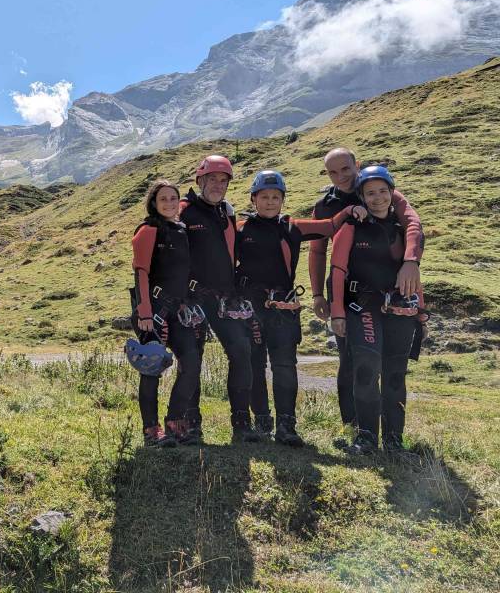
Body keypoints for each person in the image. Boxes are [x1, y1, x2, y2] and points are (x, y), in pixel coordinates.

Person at [238, 170, 358, 446]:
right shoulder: (240, 229)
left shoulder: (292, 226)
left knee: (285, 366)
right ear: (254, 199)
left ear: (282, 200)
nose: (270, 202)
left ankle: (286, 425)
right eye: (264, 197)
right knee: (254, 365)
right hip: (249, 308)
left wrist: (351, 209)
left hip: (284, 307)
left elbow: (329, 226)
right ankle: (262, 421)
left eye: (275, 197)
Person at [308, 148, 424, 429]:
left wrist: (411, 261)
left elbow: (413, 223)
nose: (340, 177)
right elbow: (317, 252)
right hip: (345, 289)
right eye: (332, 172)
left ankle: (388, 428)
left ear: (356, 165)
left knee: (385, 362)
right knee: (351, 358)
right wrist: (318, 295)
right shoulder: (325, 204)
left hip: (386, 288)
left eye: (345, 169)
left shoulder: (380, 189)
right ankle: (354, 424)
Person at [329, 166, 429, 455]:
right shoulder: (351, 226)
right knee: (366, 370)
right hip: (362, 307)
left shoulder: (401, 227)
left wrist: (420, 312)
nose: (378, 197)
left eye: (383, 191)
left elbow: (412, 276)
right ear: (361, 196)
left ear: (391, 192)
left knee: (396, 374)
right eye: (370, 193)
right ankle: (366, 438)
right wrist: (337, 312)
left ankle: (394, 441)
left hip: (399, 309)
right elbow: (337, 271)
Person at [175, 155, 260, 443]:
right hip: (192, 297)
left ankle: (241, 423)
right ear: (199, 180)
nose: (218, 185)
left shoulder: (227, 211)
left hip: (225, 297)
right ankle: (190, 422)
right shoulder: (183, 211)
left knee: (241, 352)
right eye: (212, 179)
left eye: (224, 180)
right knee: (191, 359)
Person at [131, 179, 202, 446]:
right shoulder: (148, 230)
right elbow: (141, 273)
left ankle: (175, 422)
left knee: (191, 363)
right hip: (153, 310)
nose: (170, 203)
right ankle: (151, 431)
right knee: (151, 368)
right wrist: (145, 313)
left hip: (178, 310)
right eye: (163, 199)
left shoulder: (182, 230)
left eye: (174, 198)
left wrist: (186, 302)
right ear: (154, 203)